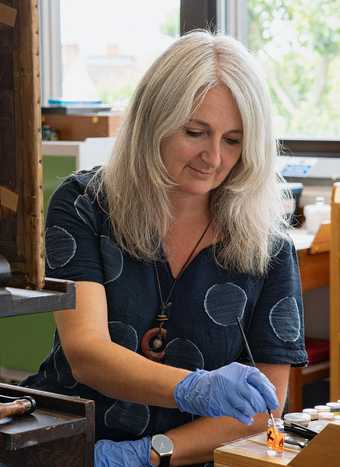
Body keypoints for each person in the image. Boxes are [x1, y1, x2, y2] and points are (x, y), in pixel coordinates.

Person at [22, 30, 307, 466]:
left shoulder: (268, 248)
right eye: (195, 132)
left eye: (233, 140)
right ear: (154, 120)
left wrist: (149, 454)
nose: (213, 158)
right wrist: (194, 387)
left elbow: (264, 409)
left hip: (185, 456)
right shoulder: (86, 205)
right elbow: (87, 355)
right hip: (72, 440)